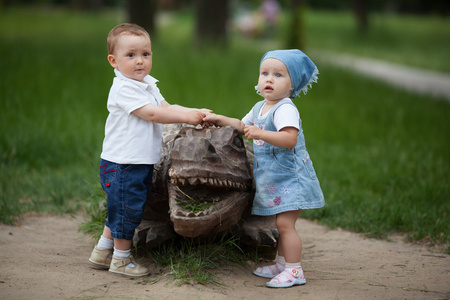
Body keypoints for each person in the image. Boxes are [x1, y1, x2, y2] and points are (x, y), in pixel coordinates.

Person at [89, 23, 210, 277]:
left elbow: (167, 105)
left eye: (146, 54)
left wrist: (193, 112)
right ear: (113, 60)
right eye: (130, 55)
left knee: (120, 207)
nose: (140, 61)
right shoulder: (124, 88)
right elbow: (152, 113)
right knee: (128, 210)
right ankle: (121, 260)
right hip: (123, 164)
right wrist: (186, 118)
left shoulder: (146, 84)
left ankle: (102, 251)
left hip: (136, 161)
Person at [203, 49, 325, 288]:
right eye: (265, 73)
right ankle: (282, 263)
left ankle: (294, 270)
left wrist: (260, 133)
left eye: (279, 75)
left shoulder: (285, 108)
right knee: (280, 223)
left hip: (293, 178)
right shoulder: (261, 106)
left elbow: (289, 139)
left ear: (293, 85)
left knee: (284, 225)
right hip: (277, 179)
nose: (269, 79)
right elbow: (241, 125)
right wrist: (219, 119)